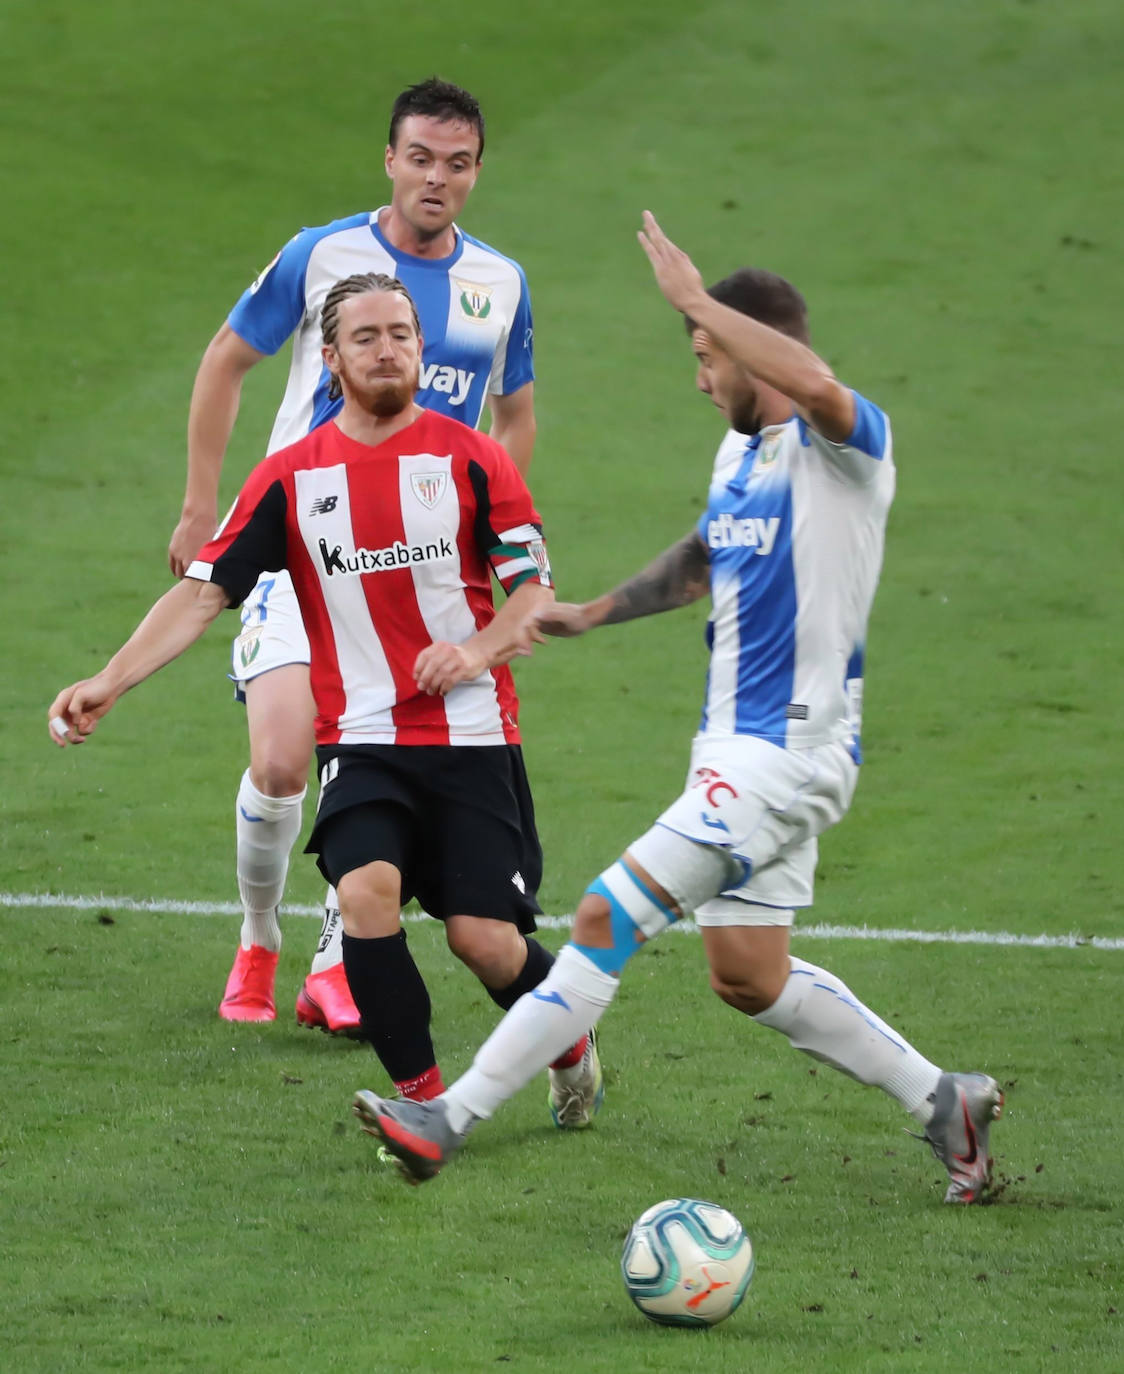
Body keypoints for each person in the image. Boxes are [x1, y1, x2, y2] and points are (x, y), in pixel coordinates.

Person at [352, 213, 1004, 1204]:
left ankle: (448, 1119)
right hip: (740, 752)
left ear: (754, 348)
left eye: (707, 355)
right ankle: (941, 1101)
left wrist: (700, 302)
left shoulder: (844, 452)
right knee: (747, 973)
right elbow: (704, 556)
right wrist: (589, 615)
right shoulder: (737, 458)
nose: (699, 375)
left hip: (779, 755)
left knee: (604, 917)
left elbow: (820, 385)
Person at [49, 273, 601, 1123]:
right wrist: (108, 680)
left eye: (402, 335)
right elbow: (202, 593)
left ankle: (569, 1045)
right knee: (364, 895)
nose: (388, 350)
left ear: (423, 349)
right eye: (367, 337)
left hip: (472, 739)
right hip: (364, 740)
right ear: (332, 360)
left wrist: (477, 651)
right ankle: (424, 1107)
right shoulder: (290, 478)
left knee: (483, 941)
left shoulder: (472, 458)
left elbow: (533, 593)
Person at [167, 77, 537, 1033]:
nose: (435, 180)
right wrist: (202, 502)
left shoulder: (499, 284)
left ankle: (340, 964)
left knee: (373, 758)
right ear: (389, 159)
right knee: (287, 762)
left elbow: (514, 412)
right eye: (419, 158)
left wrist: (484, 540)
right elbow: (226, 358)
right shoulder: (322, 254)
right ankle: (259, 933)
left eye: (456, 165)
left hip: (420, 575)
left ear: (475, 173)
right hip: (308, 548)